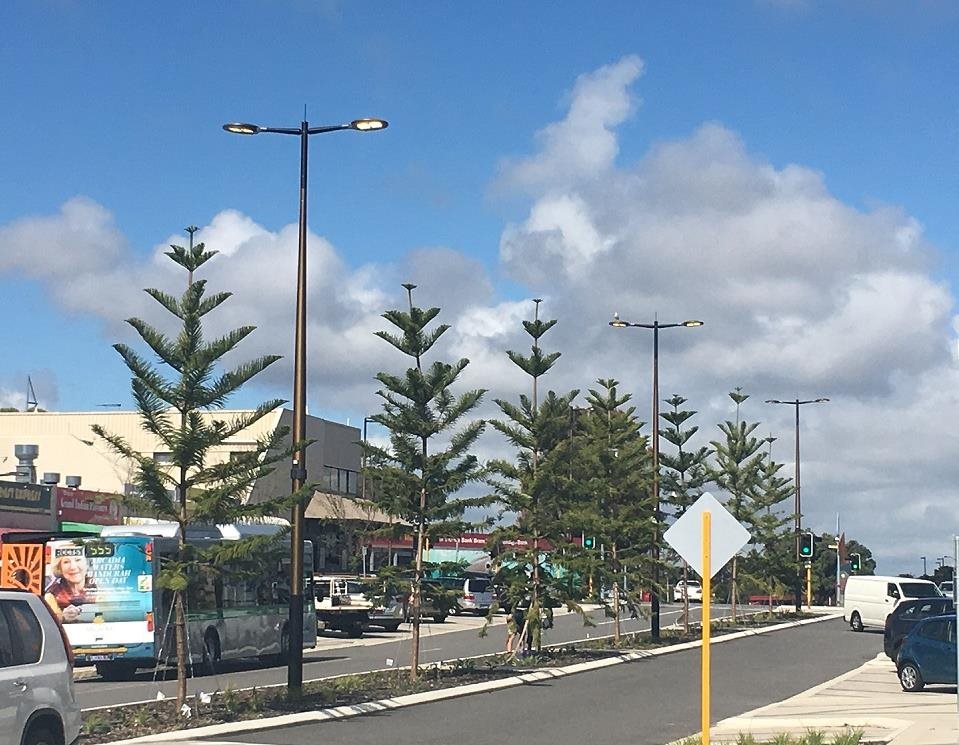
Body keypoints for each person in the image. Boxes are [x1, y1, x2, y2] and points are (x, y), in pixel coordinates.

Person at [44, 552, 95, 623]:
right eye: (66, 562)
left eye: (78, 560)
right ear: (60, 568)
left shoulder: (100, 590)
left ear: (87, 564)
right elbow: (48, 623)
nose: (73, 567)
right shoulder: (51, 596)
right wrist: (63, 617)